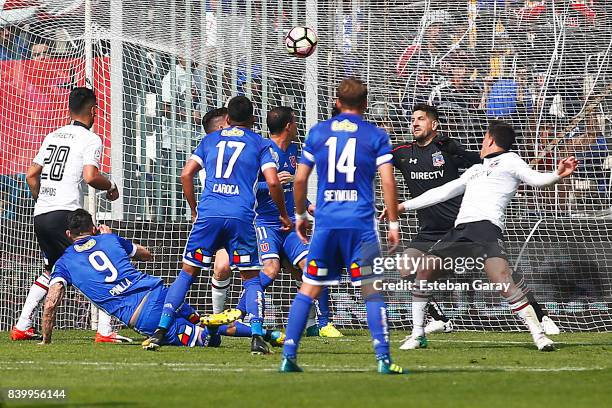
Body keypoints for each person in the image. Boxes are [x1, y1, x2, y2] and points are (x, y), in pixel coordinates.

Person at [383, 120, 577, 351]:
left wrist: (557, 174)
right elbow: (443, 192)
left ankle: (539, 335)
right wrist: (403, 206)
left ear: (491, 140)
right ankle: (417, 334)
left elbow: (535, 179)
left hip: (486, 230)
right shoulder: (475, 170)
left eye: (484, 138)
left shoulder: (511, 160)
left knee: (503, 281)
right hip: (461, 231)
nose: (481, 144)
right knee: (424, 269)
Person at [142, 96, 291, 353]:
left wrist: (193, 209)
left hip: (208, 215)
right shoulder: (260, 143)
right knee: (251, 278)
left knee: (187, 273)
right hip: (241, 217)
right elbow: (274, 182)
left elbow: (185, 174)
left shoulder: (210, 139)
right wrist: (283, 214)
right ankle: (256, 337)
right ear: (254, 120)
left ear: (228, 120)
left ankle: (160, 331)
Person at [279, 78, 407, 374]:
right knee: (371, 290)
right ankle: (384, 360)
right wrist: (393, 222)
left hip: (326, 223)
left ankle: (289, 355)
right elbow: (388, 180)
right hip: (360, 224)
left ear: (337, 102)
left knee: (309, 286)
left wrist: (300, 216)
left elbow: (299, 180)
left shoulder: (319, 132)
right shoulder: (375, 135)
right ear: (365, 105)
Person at [10, 87, 125, 343]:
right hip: (66, 214)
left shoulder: (52, 135)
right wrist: (112, 186)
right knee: (98, 261)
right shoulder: (90, 139)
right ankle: (105, 330)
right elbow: (90, 177)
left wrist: (44, 200)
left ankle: (22, 325)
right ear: (93, 110)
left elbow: (31, 176)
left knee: (52, 269)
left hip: (41, 214)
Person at [39, 209, 242, 347]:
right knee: (201, 321)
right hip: (162, 294)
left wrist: (46, 339)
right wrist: (110, 239)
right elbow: (145, 254)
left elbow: (51, 303)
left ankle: (217, 331)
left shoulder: (64, 263)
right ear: (93, 228)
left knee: (207, 340)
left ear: (68, 234)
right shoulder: (110, 239)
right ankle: (264, 334)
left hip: (145, 316)